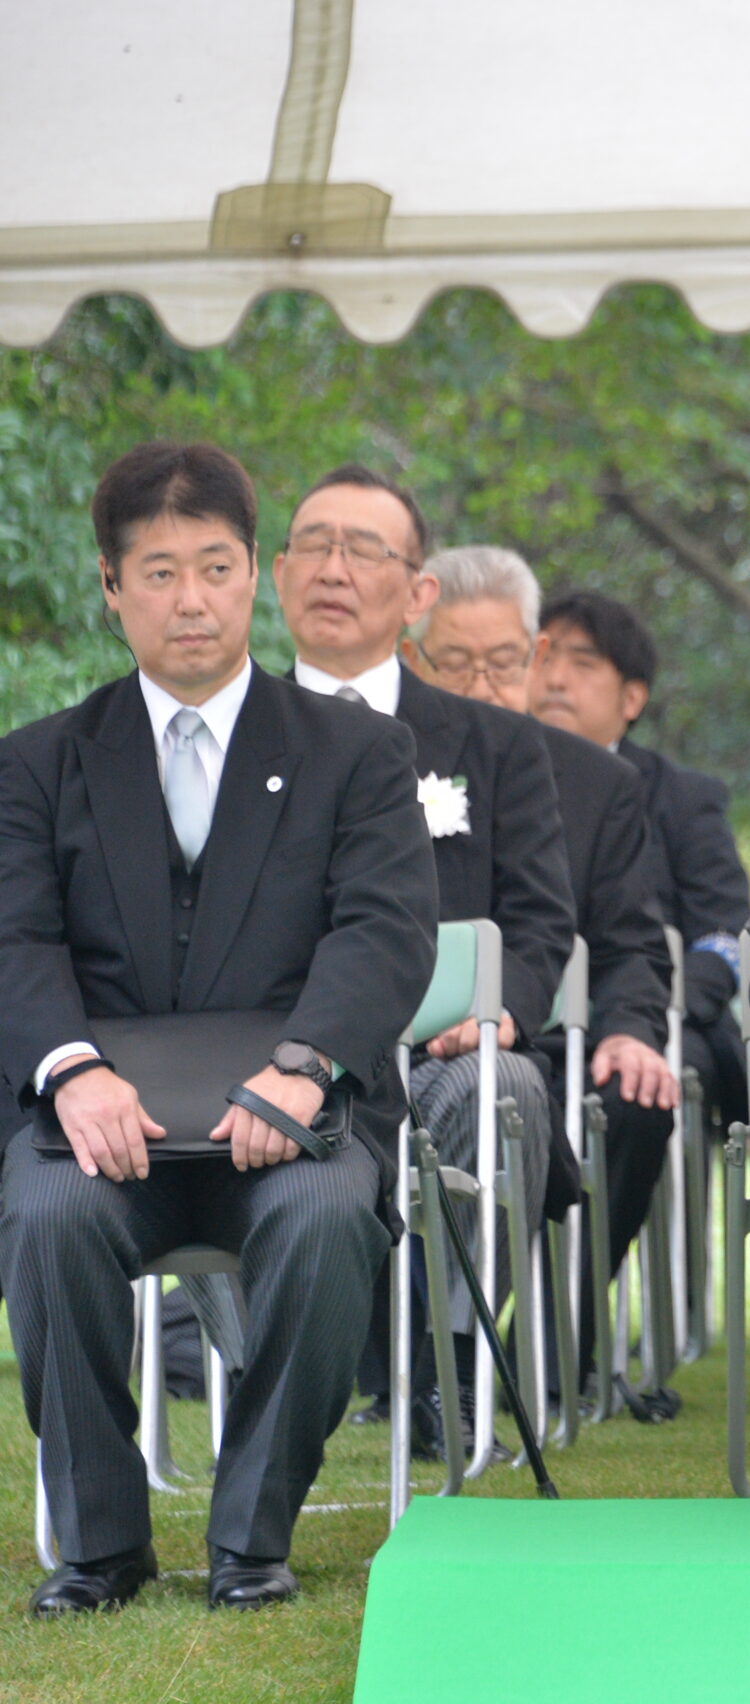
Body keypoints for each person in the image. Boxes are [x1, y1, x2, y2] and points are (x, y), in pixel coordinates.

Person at [0, 443, 436, 1614]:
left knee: (329, 1216)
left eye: (213, 567)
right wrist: (72, 1072)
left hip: (291, 1121)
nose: (188, 600)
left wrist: (301, 1071)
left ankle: (251, 1534)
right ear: (109, 587)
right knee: (45, 1217)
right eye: (156, 573)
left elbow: (387, 932)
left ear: (256, 575)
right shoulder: (37, 764)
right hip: (100, 1128)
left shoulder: (358, 753)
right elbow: (14, 939)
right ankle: (98, 1546)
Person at [276, 466, 577, 1448]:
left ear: (417, 593)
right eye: (314, 546)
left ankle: (444, 1364)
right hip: (276, 1059)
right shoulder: (223, 734)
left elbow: (540, 923)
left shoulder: (490, 745)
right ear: (277, 577)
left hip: (443, 1053)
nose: (333, 569)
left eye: (362, 549)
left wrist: (503, 1012)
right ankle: (268, 1367)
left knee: (501, 1090)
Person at [408, 550, 680, 1394]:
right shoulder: (379, 758)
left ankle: (559, 1344)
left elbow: (633, 939)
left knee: (636, 1098)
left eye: (503, 661)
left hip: (549, 1046)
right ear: (415, 656)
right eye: (458, 661)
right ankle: (422, 1355)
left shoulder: (599, 783)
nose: (482, 682)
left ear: (531, 658)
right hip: (405, 1042)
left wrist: (633, 1031)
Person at [535, 589, 750, 1142]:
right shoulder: (494, 776)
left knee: (655, 1085)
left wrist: (647, 1011)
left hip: (657, 1017)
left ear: (632, 699)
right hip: (524, 1018)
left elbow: (723, 936)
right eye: (543, 657)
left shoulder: (684, 797)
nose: (556, 678)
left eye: (583, 664)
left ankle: (611, 1232)